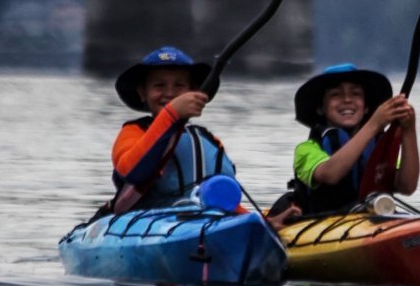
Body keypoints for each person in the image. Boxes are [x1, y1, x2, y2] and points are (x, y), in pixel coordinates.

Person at [107, 46, 298, 228]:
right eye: (159, 85)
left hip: (206, 223)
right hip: (149, 224)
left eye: (179, 85)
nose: (170, 93)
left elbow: (221, 198)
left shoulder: (208, 140)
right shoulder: (132, 132)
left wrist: (262, 223)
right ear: (143, 93)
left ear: (193, 91)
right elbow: (133, 172)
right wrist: (172, 114)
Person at [276, 63, 420, 216]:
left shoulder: (379, 148)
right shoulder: (306, 149)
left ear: (366, 108)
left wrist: (408, 130)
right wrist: (375, 124)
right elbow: (330, 175)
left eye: (356, 94)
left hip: (375, 223)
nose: (347, 100)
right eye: (336, 94)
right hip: (323, 227)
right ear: (321, 108)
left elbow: (407, 186)